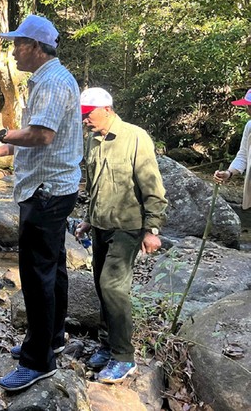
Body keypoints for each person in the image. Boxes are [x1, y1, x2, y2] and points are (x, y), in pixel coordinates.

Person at [0, 14, 82, 391]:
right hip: (53, 186)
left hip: (45, 192)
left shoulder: (51, 83)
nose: (13, 51)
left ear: (35, 47)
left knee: (37, 276)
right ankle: (52, 338)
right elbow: (40, 141)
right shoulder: (50, 80)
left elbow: (43, 136)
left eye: (17, 44)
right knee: (53, 270)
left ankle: (38, 362)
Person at [75, 87, 167, 383]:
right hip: (101, 225)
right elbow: (95, 185)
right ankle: (107, 344)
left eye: (88, 115)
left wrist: (152, 229)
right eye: (82, 115)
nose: (84, 120)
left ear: (107, 109)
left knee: (113, 287)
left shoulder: (134, 137)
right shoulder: (92, 139)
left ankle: (124, 357)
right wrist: (88, 220)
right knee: (101, 287)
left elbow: (152, 186)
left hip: (128, 227)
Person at [214, 89, 251, 205]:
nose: (248, 111)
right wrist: (228, 173)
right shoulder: (249, 127)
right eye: (248, 107)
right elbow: (243, 156)